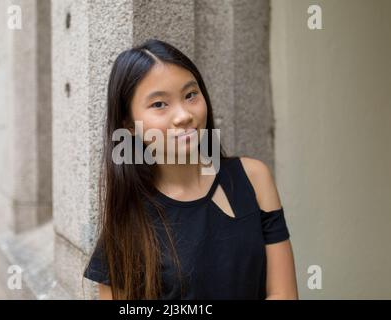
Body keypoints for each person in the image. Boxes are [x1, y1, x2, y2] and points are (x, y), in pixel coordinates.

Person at [83, 39, 298, 300]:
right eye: (159, 104)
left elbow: (283, 294)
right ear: (129, 125)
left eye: (190, 95)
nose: (183, 115)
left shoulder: (253, 178)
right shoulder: (128, 223)